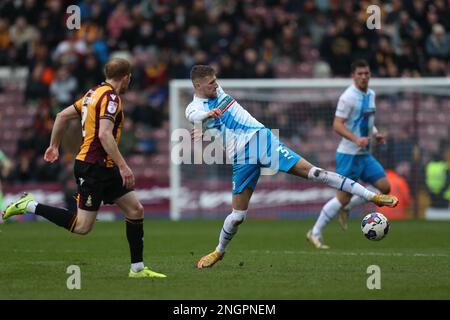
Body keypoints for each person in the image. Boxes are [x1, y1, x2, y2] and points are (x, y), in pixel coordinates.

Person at [185, 65, 398, 268]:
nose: (216, 85)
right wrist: (205, 118)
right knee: (238, 216)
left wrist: (206, 124)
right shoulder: (195, 108)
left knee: (314, 172)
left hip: (261, 140)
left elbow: (207, 120)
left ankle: (373, 197)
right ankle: (219, 251)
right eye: (211, 83)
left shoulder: (217, 92)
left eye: (216, 81)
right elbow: (194, 116)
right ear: (198, 86)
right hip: (241, 158)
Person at [2, 58, 166, 278]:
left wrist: (53, 146)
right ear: (125, 77)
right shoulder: (111, 98)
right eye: (130, 78)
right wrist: (124, 166)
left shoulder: (93, 93)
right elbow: (104, 135)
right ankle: (30, 205)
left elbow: (61, 116)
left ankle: (137, 269)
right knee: (82, 227)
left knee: (135, 210)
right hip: (93, 168)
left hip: (104, 167)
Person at [308, 59, 393, 249]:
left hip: (365, 154)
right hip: (349, 154)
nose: (364, 77)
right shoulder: (347, 97)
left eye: (366, 73)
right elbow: (337, 124)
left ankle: (347, 208)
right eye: (360, 74)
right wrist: (355, 139)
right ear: (353, 75)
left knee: (385, 187)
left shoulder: (371, 94)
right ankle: (314, 232)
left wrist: (375, 134)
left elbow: (367, 120)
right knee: (342, 197)